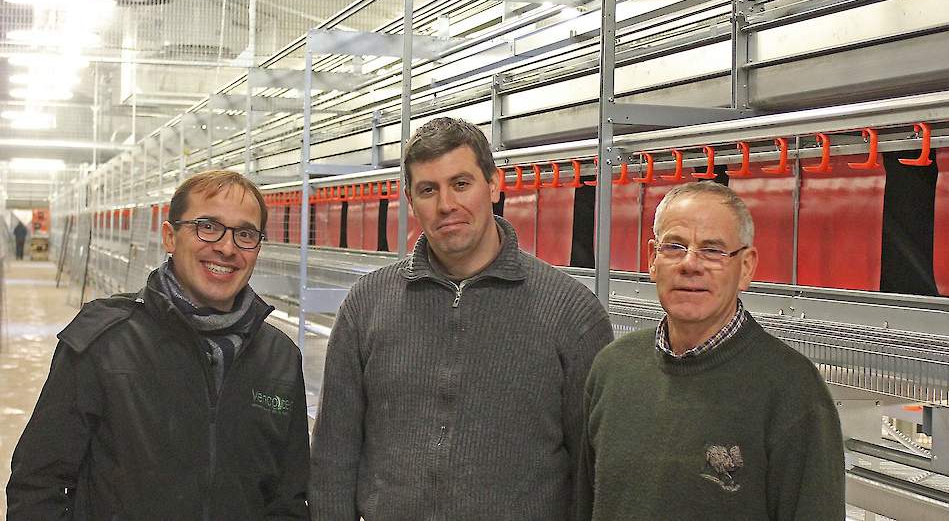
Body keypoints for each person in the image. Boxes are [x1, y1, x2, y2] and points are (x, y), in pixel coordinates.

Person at [310, 117, 614, 520]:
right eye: (428, 189)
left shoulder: (571, 312)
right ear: (410, 199)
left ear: (493, 184)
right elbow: (334, 455)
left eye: (460, 184)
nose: (446, 205)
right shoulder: (367, 305)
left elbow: (592, 470)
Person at [7, 170, 310, 520]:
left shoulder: (280, 358)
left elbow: (288, 501)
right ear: (170, 236)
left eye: (245, 234)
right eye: (207, 226)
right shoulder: (104, 342)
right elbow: (37, 485)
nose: (227, 248)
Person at [579, 181, 845, 520]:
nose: (690, 264)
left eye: (713, 250)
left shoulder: (791, 389)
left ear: (746, 267)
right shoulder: (612, 369)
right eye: (674, 247)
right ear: (652, 260)